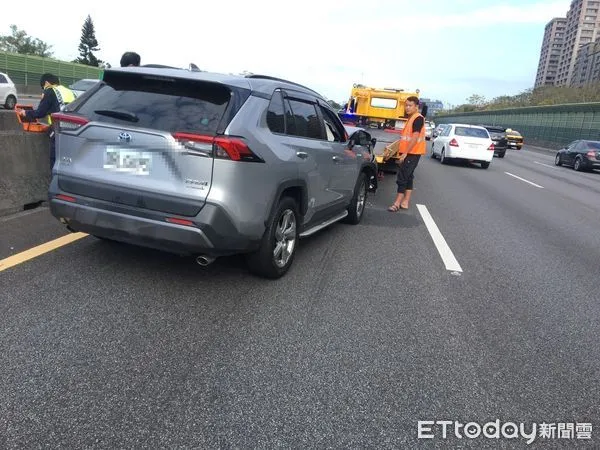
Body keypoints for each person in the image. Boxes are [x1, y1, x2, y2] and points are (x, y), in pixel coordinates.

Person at [16, 73, 75, 170]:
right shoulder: (69, 92)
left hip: (59, 130)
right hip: (74, 130)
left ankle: (55, 181)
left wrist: (25, 112)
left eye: (43, 87)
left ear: (46, 83)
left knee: (55, 159)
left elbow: (40, 113)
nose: (43, 90)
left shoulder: (50, 91)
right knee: (69, 160)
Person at [386, 96, 426, 211]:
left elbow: (415, 137)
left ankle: (397, 203)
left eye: (410, 105)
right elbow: (405, 137)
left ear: (416, 106)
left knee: (402, 177)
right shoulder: (412, 118)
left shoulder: (417, 118)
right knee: (408, 177)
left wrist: (405, 153)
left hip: (412, 153)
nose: (407, 108)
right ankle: (405, 202)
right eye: (406, 105)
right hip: (412, 152)